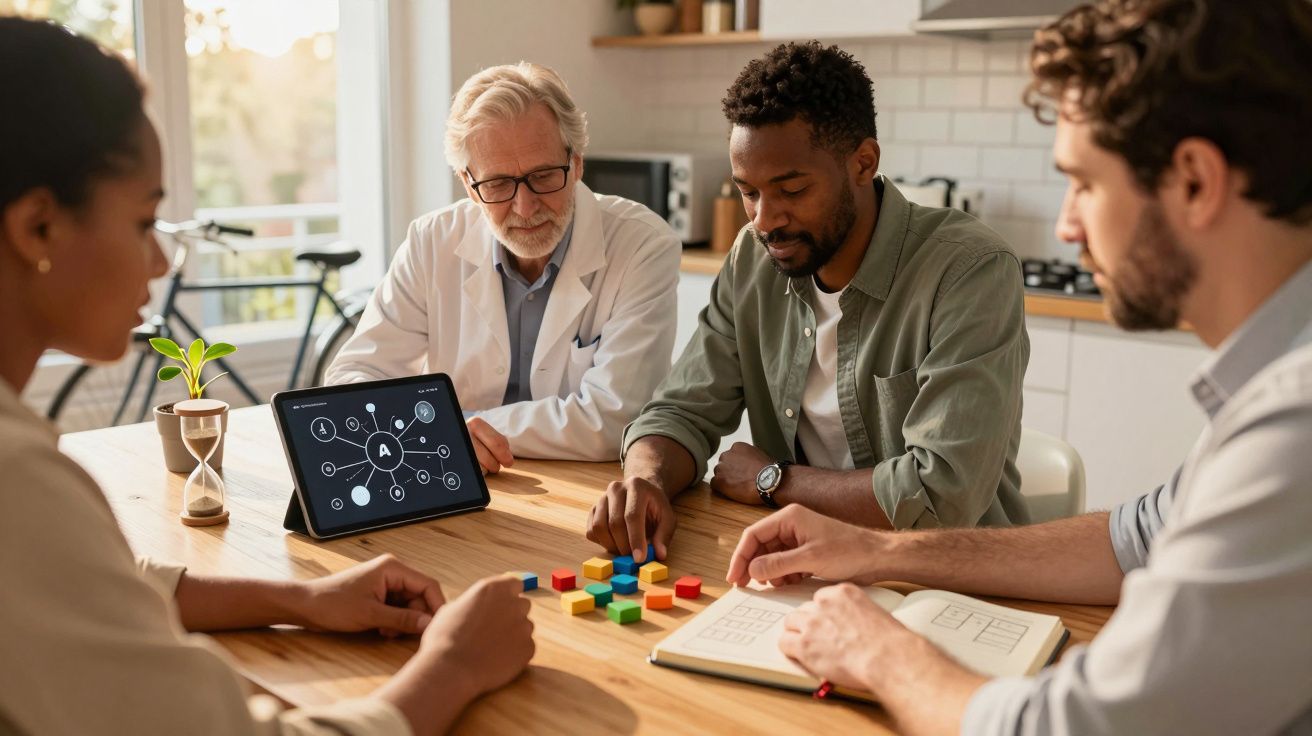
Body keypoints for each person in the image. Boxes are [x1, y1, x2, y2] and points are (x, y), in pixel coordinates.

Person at [727, 1, 1312, 734]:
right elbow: (1128, 541)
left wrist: (880, 652)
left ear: (1194, 180)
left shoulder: (1296, 423)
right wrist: (875, 549)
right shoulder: (1273, 388)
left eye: (1085, 183)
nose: (1067, 225)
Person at [0, 17, 533, 735]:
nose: (159, 263)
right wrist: (455, 663)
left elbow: (84, 589)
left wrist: (303, 600)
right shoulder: (17, 484)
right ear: (38, 228)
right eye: (145, 220)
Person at [588, 42, 1031, 562]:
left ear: (863, 163)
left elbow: (941, 494)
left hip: (949, 575)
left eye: (792, 189)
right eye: (747, 191)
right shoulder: (752, 259)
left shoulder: (969, 270)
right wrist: (646, 480)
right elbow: (681, 410)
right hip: (802, 564)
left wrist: (773, 481)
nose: (764, 219)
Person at [325, 62, 681, 473]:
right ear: (467, 184)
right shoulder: (430, 241)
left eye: (544, 176)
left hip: (589, 490)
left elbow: (614, 419)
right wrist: (447, 435)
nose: (525, 207)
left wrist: (450, 428)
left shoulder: (642, 245)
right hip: (453, 476)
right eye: (497, 184)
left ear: (577, 163)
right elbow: (354, 377)